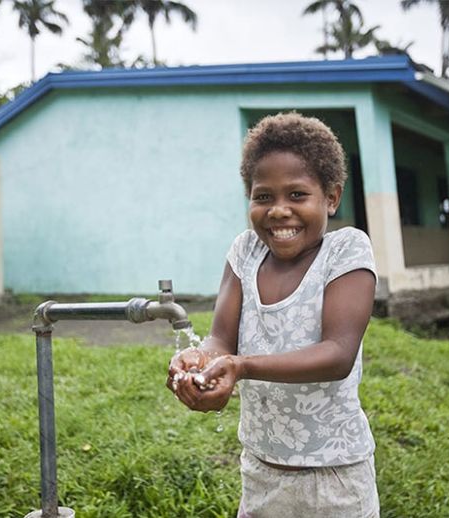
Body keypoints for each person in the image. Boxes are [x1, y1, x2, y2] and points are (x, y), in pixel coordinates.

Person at [167, 112, 379, 517]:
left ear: (331, 197)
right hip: (261, 469)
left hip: (333, 478)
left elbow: (338, 353)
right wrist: (199, 361)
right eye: (263, 197)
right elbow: (220, 340)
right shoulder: (245, 253)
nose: (279, 210)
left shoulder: (345, 252)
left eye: (297, 195)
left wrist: (241, 366)